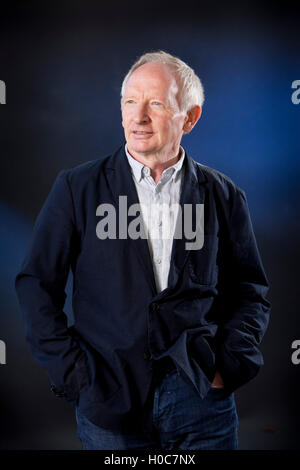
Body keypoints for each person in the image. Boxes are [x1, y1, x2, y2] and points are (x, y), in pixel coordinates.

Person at [15, 50, 271, 450]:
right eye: (131, 101)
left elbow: (250, 291)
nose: (139, 117)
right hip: (108, 397)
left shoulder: (223, 196)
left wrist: (230, 365)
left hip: (201, 397)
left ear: (190, 117)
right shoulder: (76, 188)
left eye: (155, 103)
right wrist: (75, 375)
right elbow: (35, 286)